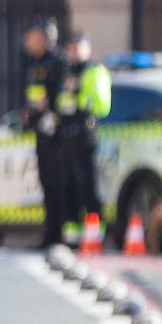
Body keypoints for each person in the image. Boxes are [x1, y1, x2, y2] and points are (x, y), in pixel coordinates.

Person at [20, 18, 70, 248]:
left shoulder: (59, 61)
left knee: (57, 185)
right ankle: (49, 235)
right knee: (46, 183)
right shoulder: (34, 62)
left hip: (56, 133)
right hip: (41, 131)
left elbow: (61, 97)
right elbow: (33, 93)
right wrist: (29, 112)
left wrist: (51, 114)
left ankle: (58, 234)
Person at [59, 32, 112, 242]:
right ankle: (72, 238)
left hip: (85, 135)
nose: (73, 52)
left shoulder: (94, 71)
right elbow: (62, 102)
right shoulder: (67, 71)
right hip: (67, 136)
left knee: (87, 185)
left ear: (87, 48)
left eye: (77, 47)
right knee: (69, 186)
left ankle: (94, 236)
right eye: (70, 48)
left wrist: (78, 90)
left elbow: (101, 105)